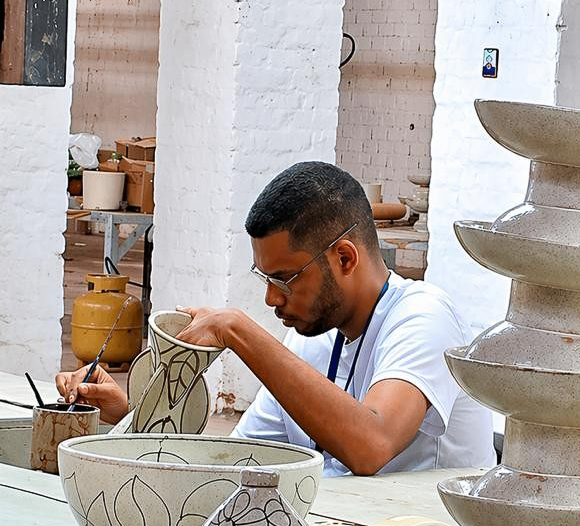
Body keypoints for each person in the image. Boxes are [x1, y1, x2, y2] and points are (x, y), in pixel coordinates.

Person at [57, 162, 492, 476]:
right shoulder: (312, 338)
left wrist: (237, 330)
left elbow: (372, 446)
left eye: (284, 279)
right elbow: (240, 464)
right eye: (265, 278)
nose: (270, 298)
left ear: (344, 258)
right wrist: (134, 418)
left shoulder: (424, 317)